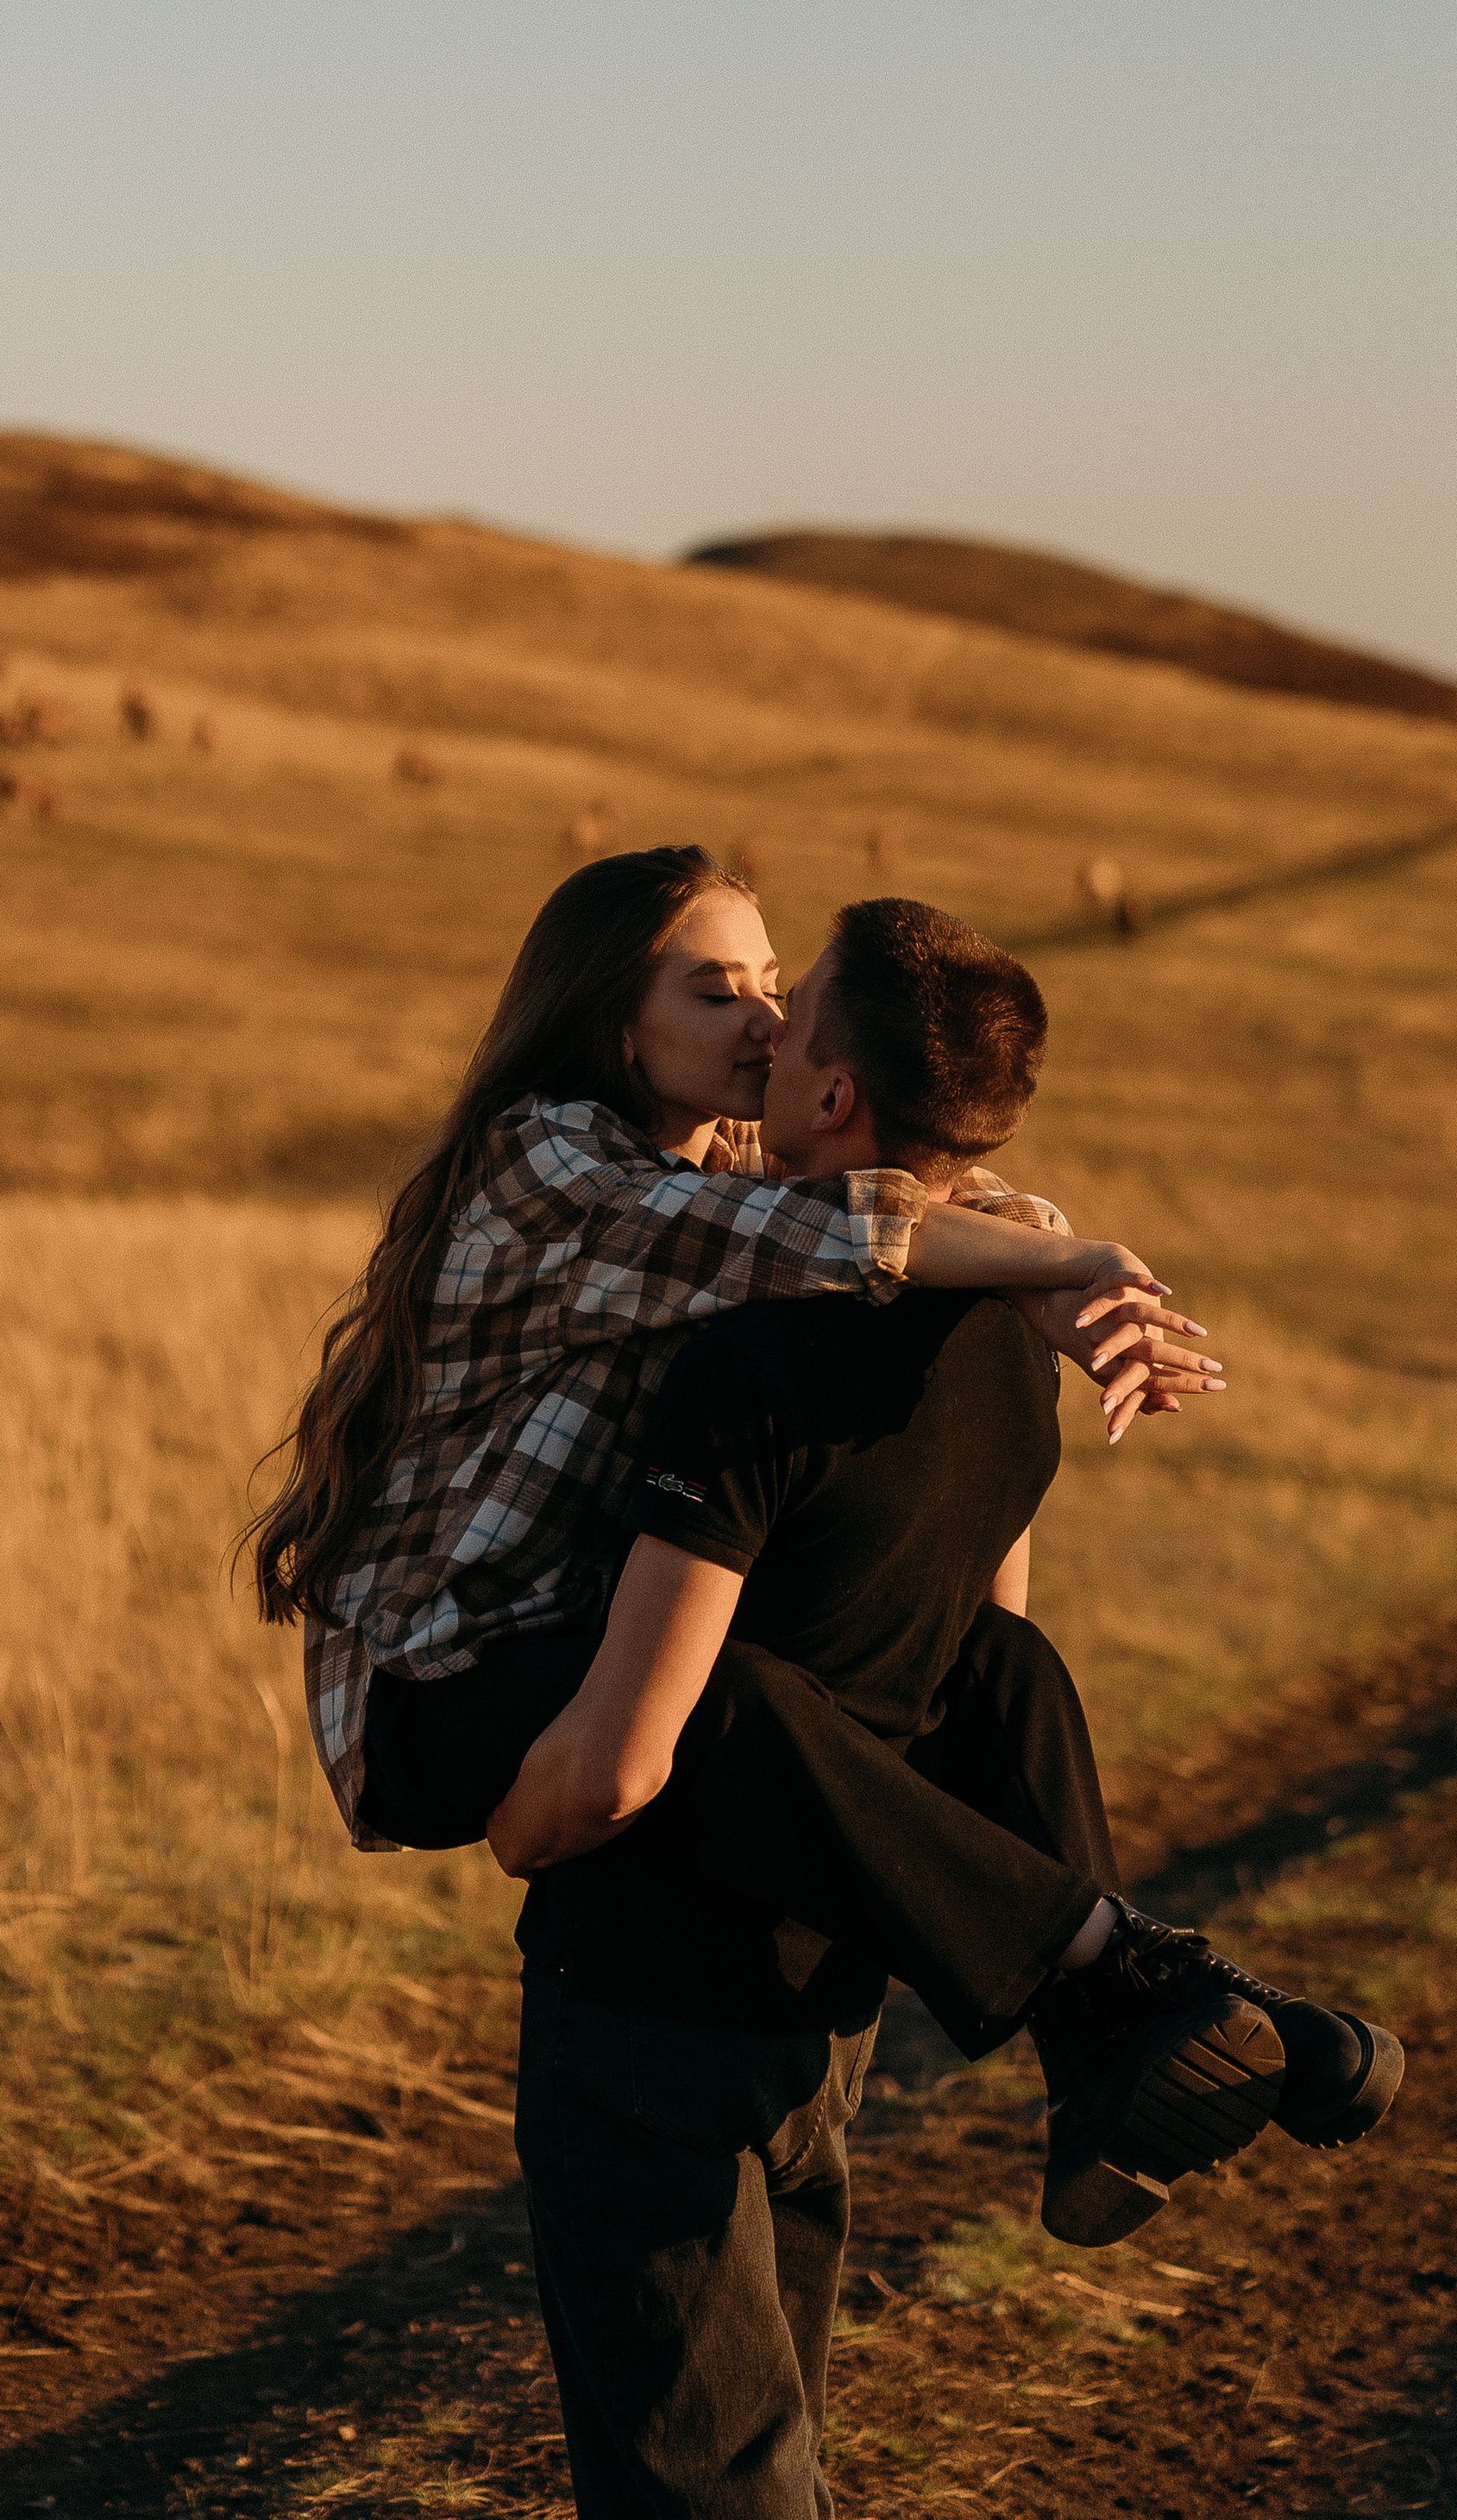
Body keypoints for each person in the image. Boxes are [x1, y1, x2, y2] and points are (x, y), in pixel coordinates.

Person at [491, 896, 1400, 2517]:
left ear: (838, 1099)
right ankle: (1134, 2000)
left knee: (710, 2489)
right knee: (780, 2459)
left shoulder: (750, 1363)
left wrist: (519, 1823)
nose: (766, 1029)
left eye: (795, 1007)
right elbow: (982, 1656)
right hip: (828, 2001)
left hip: (653, 1985)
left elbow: (637, 1754)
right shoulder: (1002, 1347)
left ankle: (1116, 1982)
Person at [248, 845, 1212, 1874]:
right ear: (615, 1027)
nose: (767, 1022)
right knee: (745, 1700)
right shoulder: (543, 1158)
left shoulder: (722, 1156)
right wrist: (1070, 1265)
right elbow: (846, 1226)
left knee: (995, 1664)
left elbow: (943, 1196)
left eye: (774, 986)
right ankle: (1075, 1960)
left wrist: (1052, 1279)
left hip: (578, 1631)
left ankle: (1110, 1958)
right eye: (716, 994)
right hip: (440, 1675)